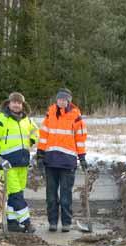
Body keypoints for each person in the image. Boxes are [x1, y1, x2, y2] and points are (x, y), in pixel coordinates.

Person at [36, 88, 88, 232]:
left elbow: (80, 139)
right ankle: (52, 222)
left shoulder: (76, 117)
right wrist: (40, 154)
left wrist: (82, 158)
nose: (62, 101)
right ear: (57, 100)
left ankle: (66, 223)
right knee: (51, 196)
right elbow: (44, 136)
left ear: (69, 101)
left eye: (65, 99)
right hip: (50, 161)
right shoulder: (50, 114)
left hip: (67, 162)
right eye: (60, 99)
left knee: (66, 196)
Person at [0, 92, 38, 233]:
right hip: (7, 164)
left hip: (23, 163)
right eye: (14, 102)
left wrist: (31, 141)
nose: (16, 105)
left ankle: (12, 223)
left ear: (22, 105)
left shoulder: (27, 120)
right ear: (9, 103)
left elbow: (35, 132)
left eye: (19, 103)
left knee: (16, 193)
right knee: (16, 195)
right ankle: (27, 222)